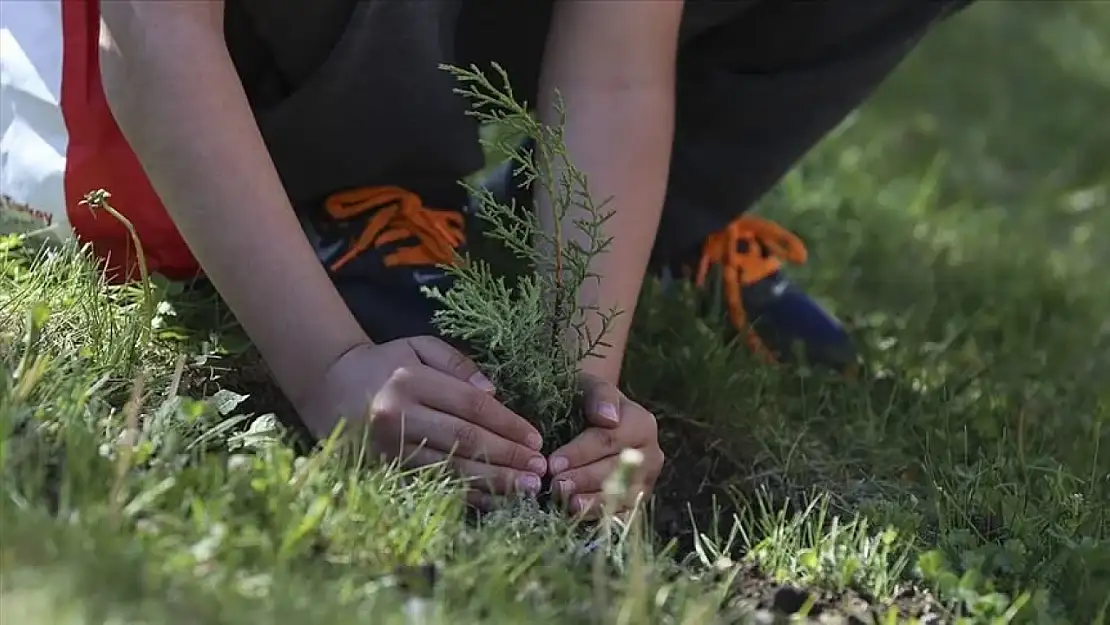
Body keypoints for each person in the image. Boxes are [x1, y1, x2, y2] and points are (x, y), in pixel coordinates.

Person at [74, 0, 970, 517]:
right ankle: (331, 191)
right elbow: (155, 32)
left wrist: (582, 384)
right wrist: (330, 368)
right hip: (158, 79)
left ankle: (573, 223)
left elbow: (616, 63)